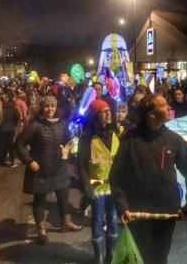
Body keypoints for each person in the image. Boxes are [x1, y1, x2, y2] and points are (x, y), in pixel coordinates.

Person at [109, 93, 187, 264]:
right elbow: (116, 176)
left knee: (159, 257)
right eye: (164, 105)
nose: (169, 108)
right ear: (151, 113)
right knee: (139, 257)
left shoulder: (174, 140)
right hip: (136, 212)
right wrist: (122, 206)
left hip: (166, 213)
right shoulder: (130, 139)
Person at [15, 95, 82, 244]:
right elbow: (19, 143)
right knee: (40, 201)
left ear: (56, 107)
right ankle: (41, 230)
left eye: (52, 106)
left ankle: (66, 222)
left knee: (64, 197)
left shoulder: (62, 124)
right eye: (47, 106)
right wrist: (29, 160)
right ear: (42, 108)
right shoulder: (35, 125)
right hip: (40, 171)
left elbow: (68, 140)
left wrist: (67, 148)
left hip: (59, 169)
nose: (50, 109)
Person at [78, 99, 121, 264]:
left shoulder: (117, 132)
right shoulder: (87, 138)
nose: (108, 113)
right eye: (103, 111)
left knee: (113, 218)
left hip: (114, 185)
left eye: (109, 110)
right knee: (97, 219)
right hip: (96, 187)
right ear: (96, 116)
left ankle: (110, 254)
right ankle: (98, 257)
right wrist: (85, 186)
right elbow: (81, 164)